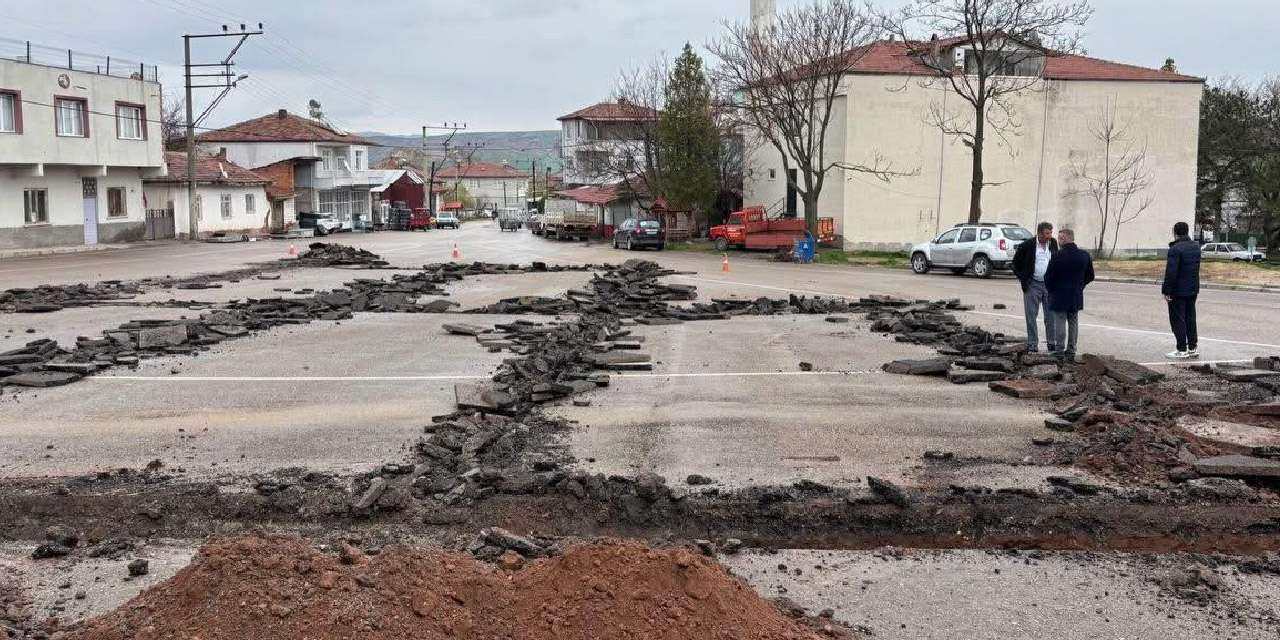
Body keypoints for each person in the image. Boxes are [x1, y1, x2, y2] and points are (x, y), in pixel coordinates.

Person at [1043, 228, 1094, 360]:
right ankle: (1071, 350)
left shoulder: (1057, 256)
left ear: (1064, 239)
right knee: (1073, 322)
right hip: (1075, 294)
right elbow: (1090, 275)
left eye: (1060, 238)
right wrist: (1080, 286)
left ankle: (1059, 350)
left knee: (1060, 322)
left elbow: (1048, 277)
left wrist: (1051, 290)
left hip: (1059, 295)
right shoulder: (1084, 255)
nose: (1058, 240)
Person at [1012, 221, 1059, 352]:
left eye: (1050, 233)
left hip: (1049, 285)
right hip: (1033, 284)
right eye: (1047, 233)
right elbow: (1015, 264)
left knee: (1051, 315)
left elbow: (1056, 260)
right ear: (1039, 233)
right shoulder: (1028, 245)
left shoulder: (1053, 243)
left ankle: (1051, 342)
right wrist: (1024, 278)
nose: (1049, 236)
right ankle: (1033, 343)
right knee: (1031, 315)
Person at [1162, 221, 1202, 359]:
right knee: (1190, 318)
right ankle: (1192, 347)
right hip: (1192, 288)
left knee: (1178, 319)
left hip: (1178, 291)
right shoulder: (1196, 247)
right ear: (1187, 231)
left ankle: (1181, 349)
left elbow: (1171, 272)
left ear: (1175, 232)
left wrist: (1166, 290)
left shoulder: (1175, 249)